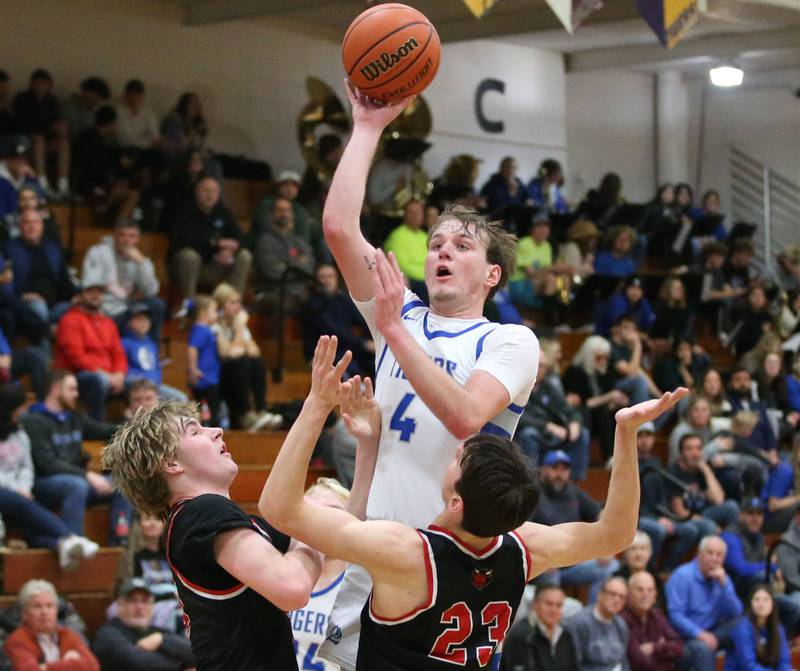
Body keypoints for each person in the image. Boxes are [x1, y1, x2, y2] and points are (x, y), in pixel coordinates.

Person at [260, 335, 687, 670]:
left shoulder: (405, 552)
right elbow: (616, 533)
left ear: (457, 502)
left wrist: (317, 405)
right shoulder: (523, 549)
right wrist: (625, 434)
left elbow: (279, 507)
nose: (452, 452)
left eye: (457, 460)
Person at [319, 84, 540, 667]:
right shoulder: (403, 310)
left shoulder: (509, 340)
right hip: (378, 549)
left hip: (452, 565)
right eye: (436, 242)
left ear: (492, 274)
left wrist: (391, 331)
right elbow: (341, 228)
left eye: (462, 245)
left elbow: (467, 415)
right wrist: (367, 127)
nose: (443, 250)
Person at [102, 408, 324, 670]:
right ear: (172, 464)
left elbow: (338, 538)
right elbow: (293, 587)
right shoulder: (201, 513)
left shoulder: (225, 521)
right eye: (195, 431)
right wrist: (313, 536)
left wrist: (367, 446)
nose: (216, 431)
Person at [24, 369, 130, 546]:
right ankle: (75, 544)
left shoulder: (74, 418)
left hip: (76, 479)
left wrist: (134, 424)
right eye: (72, 389)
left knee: (123, 483)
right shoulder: (34, 421)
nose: (77, 394)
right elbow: (47, 464)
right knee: (76, 486)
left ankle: (119, 544)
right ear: (56, 389)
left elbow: (102, 429)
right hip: (44, 483)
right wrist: (86, 475)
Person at [0, 383, 99, 568]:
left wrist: (23, 487)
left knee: (25, 518)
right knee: (21, 504)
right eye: (20, 407)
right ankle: (69, 537)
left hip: (20, 490)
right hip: (5, 490)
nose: (23, 411)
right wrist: (16, 490)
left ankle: (61, 545)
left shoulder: (19, 432)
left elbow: (27, 467)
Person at [532, 450, 618, 603]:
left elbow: (599, 513)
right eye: (555, 468)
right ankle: (553, 621)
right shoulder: (533, 494)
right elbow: (525, 528)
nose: (559, 474)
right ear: (544, 470)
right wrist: (544, 559)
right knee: (550, 575)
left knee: (610, 566)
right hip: (544, 563)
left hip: (573, 561)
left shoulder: (574, 492)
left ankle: (593, 615)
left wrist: (605, 549)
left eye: (564, 469)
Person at [290, 479, 350, 671]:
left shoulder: (358, 583)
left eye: (332, 510)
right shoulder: (279, 573)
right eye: (311, 511)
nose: (319, 519)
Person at [55, 275, 128, 421]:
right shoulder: (70, 319)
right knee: (98, 380)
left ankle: (134, 435)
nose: (95, 295)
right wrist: (108, 377)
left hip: (109, 376)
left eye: (99, 291)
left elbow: (119, 354)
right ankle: (97, 426)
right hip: (76, 374)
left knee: (139, 383)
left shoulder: (108, 323)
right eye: (90, 291)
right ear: (79, 295)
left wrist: (119, 374)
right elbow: (76, 357)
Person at [665, 536, 743, 671]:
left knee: (744, 625)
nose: (714, 558)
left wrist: (725, 586)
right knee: (703, 649)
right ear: (699, 554)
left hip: (713, 631)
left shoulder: (723, 579)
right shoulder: (683, 576)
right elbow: (675, 615)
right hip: (685, 636)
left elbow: (736, 612)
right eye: (710, 553)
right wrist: (700, 634)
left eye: (719, 555)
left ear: (723, 559)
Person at [170, 175, 252, 305]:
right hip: (191, 268)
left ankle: (233, 306)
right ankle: (190, 306)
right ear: (197, 191)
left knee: (244, 256)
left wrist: (230, 251)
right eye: (206, 190)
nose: (210, 195)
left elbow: (242, 239)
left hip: (216, 266)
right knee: (189, 256)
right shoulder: (185, 211)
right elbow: (183, 240)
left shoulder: (224, 213)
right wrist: (215, 244)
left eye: (214, 191)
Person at [81, 218, 165, 342]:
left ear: (138, 239)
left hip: (128, 308)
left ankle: (150, 354)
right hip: (104, 308)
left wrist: (141, 263)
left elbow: (151, 291)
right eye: (122, 235)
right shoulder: (98, 253)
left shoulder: (140, 260)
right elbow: (91, 285)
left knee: (157, 305)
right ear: (115, 236)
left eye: (132, 236)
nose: (126, 240)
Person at [212, 283, 281, 431]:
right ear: (221, 305)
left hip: (237, 374)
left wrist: (240, 334)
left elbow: (255, 351)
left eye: (238, 302)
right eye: (232, 303)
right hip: (219, 378)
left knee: (257, 362)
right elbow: (227, 354)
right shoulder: (215, 324)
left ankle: (261, 409)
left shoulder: (238, 324)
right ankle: (245, 414)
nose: (238, 307)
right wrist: (239, 330)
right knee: (242, 362)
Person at [515, 348, 589, 480]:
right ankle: (531, 480)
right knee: (529, 433)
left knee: (582, 433)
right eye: (538, 365)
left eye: (543, 366)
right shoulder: (517, 386)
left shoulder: (549, 387)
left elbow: (569, 410)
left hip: (552, 435)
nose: (540, 369)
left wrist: (575, 422)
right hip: (530, 433)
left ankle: (576, 481)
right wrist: (547, 426)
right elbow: (519, 417)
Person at [92, 577, 195, 671]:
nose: (140, 607)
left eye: (145, 601)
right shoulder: (107, 635)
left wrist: (162, 640)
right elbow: (138, 664)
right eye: (132, 600)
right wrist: (182, 665)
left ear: (152, 606)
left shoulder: (158, 633)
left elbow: (197, 653)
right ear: (119, 605)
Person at [4, 579, 100, 670]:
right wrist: (71, 663)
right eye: (37, 606)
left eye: (49, 606)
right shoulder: (17, 641)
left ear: (56, 610)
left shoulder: (67, 635)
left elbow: (93, 666)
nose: (44, 612)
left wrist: (45, 667)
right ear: (25, 613)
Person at [4, 207, 75, 324]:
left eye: (36, 222)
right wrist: (22, 296)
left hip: (56, 305)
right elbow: (5, 284)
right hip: (25, 304)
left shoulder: (52, 248)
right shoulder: (9, 249)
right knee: (39, 308)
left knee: (83, 307)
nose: (32, 227)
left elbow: (64, 278)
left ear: (42, 226)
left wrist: (78, 297)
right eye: (27, 223)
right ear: (20, 226)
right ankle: (46, 336)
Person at [301, 264, 374, 378]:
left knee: (373, 360)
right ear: (316, 281)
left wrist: (374, 338)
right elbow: (335, 332)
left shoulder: (342, 300)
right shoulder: (312, 304)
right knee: (350, 364)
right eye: (323, 277)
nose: (327, 280)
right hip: (321, 352)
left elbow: (362, 321)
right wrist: (364, 343)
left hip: (345, 348)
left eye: (331, 276)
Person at [12, 69, 70, 195]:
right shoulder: (22, 99)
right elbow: (24, 123)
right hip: (27, 139)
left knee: (63, 142)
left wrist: (59, 131)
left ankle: (63, 185)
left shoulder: (52, 101)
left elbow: (55, 121)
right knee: (39, 140)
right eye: (38, 83)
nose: (41, 86)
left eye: (44, 84)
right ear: (31, 84)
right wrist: (49, 127)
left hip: (48, 139)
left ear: (50, 85)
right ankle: (42, 183)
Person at [253, 195, 315, 313]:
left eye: (287, 210)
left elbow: (310, 267)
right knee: (280, 304)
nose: (284, 214)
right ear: (272, 214)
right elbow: (274, 272)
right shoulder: (265, 241)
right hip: (274, 292)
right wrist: (298, 262)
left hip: (299, 293)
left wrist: (287, 265)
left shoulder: (298, 241)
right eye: (280, 210)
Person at [502, 585, 581, 671]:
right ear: (535, 604)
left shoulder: (567, 634)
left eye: (559, 605)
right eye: (549, 604)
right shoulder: (521, 636)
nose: (554, 610)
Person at [122, 303, 187, 402]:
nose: (144, 322)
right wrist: (143, 381)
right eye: (139, 319)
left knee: (182, 399)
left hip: (155, 387)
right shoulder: (124, 343)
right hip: (136, 387)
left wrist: (155, 383)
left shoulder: (151, 344)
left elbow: (157, 368)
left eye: (146, 319)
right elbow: (123, 370)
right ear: (129, 322)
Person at [621, 571, 684, 671]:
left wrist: (654, 647)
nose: (645, 595)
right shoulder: (622, 620)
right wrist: (665, 651)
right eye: (640, 590)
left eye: (650, 590)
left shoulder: (657, 615)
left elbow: (679, 647)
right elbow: (637, 661)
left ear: (655, 596)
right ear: (629, 594)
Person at [566, 576, 630, 671]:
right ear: (600, 594)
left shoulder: (621, 624)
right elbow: (573, 664)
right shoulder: (580, 622)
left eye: (622, 597)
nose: (617, 600)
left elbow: (623, 660)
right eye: (612, 594)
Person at [725, 584, 791, 671]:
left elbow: (784, 661)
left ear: (773, 603)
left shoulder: (778, 628)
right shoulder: (742, 629)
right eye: (756, 599)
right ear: (750, 604)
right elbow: (748, 665)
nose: (761, 604)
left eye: (766, 599)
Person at [383, 199, 428, 300]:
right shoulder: (397, 236)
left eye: (418, 212)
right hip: (412, 282)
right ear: (405, 215)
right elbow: (402, 266)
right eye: (411, 212)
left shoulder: (425, 236)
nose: (415, 216)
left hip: (428, 279)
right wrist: (428, 277)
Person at [186, 295, 220, 426]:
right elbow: (192, 348)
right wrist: (193, 368)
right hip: (204, 378)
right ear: (203, 313)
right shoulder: (201, 329)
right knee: (209, 411)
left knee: (209, 409)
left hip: (209, 376)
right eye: (214, 310)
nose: (217, 314)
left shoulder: (205, 329)